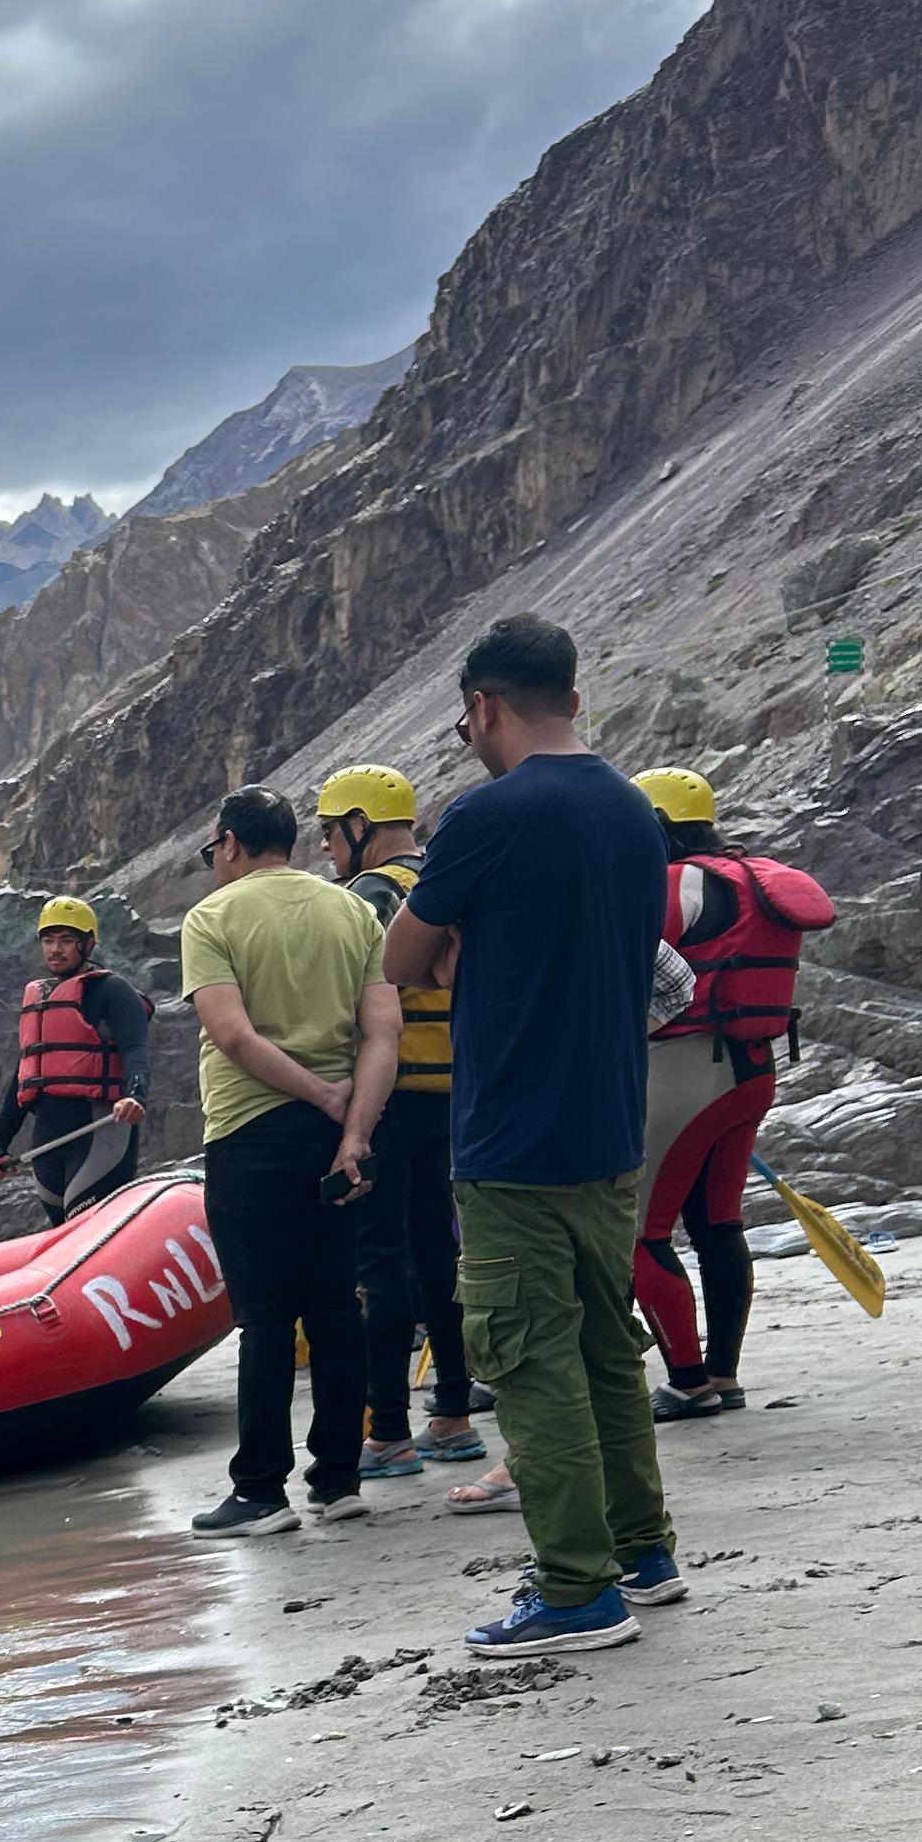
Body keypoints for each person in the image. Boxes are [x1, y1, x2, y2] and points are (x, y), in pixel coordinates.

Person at [381, 615, 680, 1654]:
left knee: (527, 1358)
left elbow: (398, 959)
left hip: (511, 1132)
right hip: (609, 1124)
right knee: (604, 1346)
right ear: (577, 699)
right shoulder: (635, 811)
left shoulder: (483, 817)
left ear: (483, 708)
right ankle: (643, 1551)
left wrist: (457, 937)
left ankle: (573, 1591)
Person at [176, 788, 399, 1537]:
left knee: (266, 1314)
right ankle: (338, 1479)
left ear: (230, 843)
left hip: (250, 1133)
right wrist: (354, 1127)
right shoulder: (352, 911)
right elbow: (383, 1036)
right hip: (342, 1139)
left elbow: (233, 1037)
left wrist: (320, 1097)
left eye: (213, 851)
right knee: (337, 1303)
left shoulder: (213, 918)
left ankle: (260, 1490)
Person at [629, 769, 836, 1419]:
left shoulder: (671, 882)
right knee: (717, 1222)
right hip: (751, 1068)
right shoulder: (741, 877)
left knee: (637, 1233)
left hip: (686, 1071)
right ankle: (722, 1374)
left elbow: (631, 971)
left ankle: (688, 1382)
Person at [314, 765, 483, 1477]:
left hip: (390, 1098)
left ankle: (387, 1430)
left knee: (381, 1261)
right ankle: (452, 1415)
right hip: (458, 1095)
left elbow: (348, 1005)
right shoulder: (446, 882)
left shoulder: (368, 896)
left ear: (360, 824)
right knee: (439, 1255)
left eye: (329, 833)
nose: (327, 849)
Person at [0, 894, 155, 1216]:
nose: (55, 949)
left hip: (99, 1132)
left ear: (88, 945)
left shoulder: (113, 991)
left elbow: (135, 1049)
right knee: (63, 1236)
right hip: (48, 1142)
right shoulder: (40, 1000)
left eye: (66, 940)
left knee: (88, 1234)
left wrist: (135, 1096)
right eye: (48, 940)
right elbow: (22, 1080)